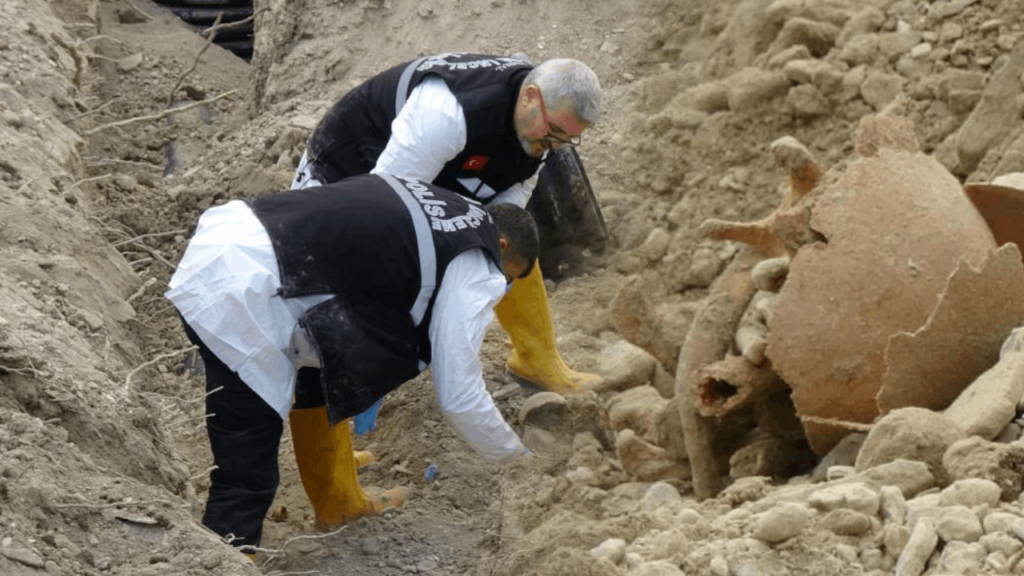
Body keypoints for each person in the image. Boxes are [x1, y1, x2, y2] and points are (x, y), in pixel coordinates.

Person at [165, 173, 537, 553]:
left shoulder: (449, 205)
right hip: (247, 294)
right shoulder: (479, 261)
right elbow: (459, 393)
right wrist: (515, 457)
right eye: (508, 278)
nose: (501, 289)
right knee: (247, 468)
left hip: (233, 236)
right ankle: (222, 556)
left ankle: (338, 504)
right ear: (503, 247)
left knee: (314, 385)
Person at [291, 52, 602, 397]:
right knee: (328, 311)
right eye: (555, 132)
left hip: (435, 168)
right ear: (531, 97)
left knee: (510, 243)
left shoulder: (538, 128)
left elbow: (512, 203)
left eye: (567, 139)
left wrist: (490, 247)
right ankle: (334, 432)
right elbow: (383, 210)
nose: (556, 145)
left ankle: (537, 360)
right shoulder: (447, 114)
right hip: (345, 170)